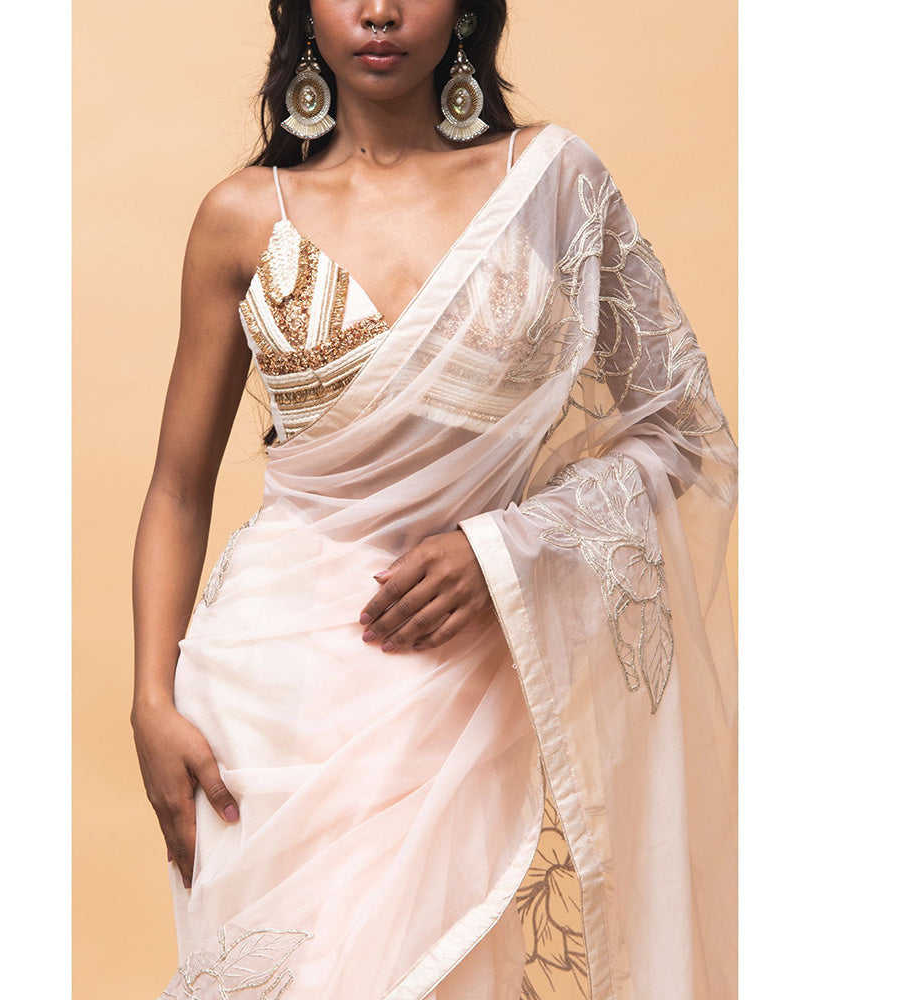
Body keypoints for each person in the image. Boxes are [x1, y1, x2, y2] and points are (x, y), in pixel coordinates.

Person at [131, 1, 738, 998]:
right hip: (272, 698)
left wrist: (507, 549)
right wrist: (151, 702)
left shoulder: (551, 184)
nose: (380, 10)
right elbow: (176, 486)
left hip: (471, 681)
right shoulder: (241, 215)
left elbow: (678, 429)